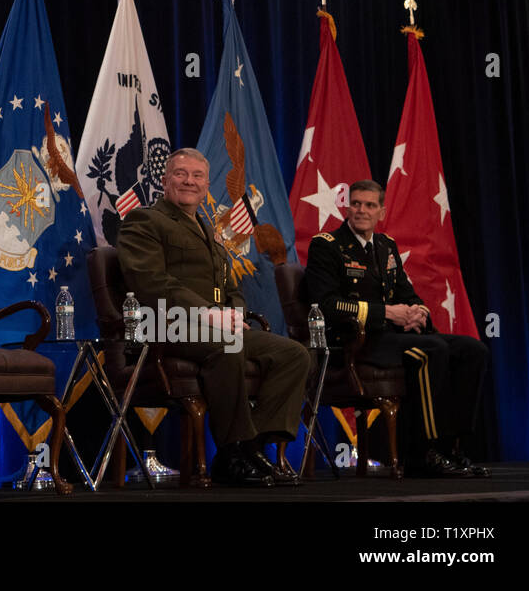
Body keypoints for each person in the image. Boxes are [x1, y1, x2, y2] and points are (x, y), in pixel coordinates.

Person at [116, 148, 311, 486]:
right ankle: (233, 448)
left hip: (216, 327)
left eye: (197, 176)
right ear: (165, 181)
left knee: (293, 354)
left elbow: (229, 285)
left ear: (206, 186)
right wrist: (209, 313)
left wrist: (233, 313)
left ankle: (251, 448)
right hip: (167, 325)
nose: (188, 181)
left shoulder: (209, 231)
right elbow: (149, 282)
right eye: (180, 173)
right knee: (227, 345)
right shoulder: (145, 220)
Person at [305, 179, 489, 477]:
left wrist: (419, 313)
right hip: (355, 342)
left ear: (381, 211)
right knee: (433, 350)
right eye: (355, 203)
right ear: (347, 206)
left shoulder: (386, 245)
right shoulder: (327, 245)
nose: (361, 210)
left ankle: (452, 446)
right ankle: (424, 452)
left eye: (369, 205)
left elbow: (408, 294)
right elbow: (325, 304)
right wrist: (387, 312)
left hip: (391, 338)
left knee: (473, 350)